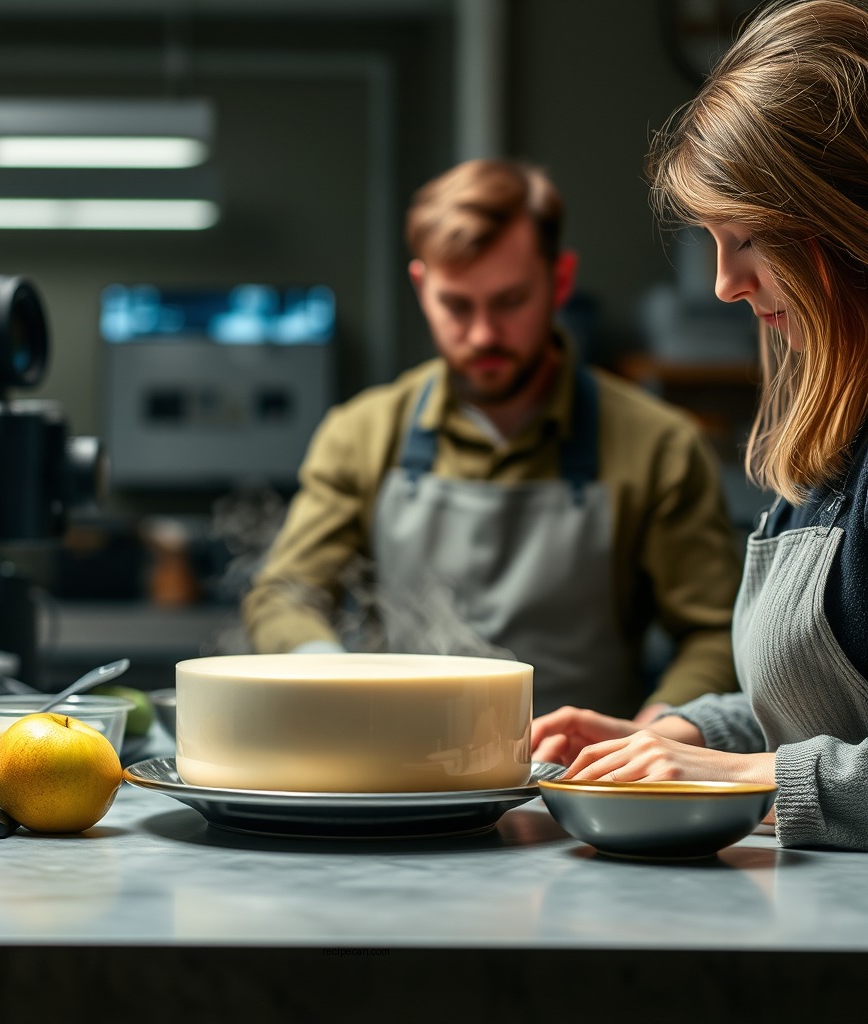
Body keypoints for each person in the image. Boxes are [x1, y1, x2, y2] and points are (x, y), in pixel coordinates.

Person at [530, 0, 868, 851]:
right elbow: (811, 714)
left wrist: (751, 779)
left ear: (842, 219)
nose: (724, 284)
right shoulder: (835, 451)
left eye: (747, 238)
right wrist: (678, 738)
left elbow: (794, 762)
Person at [241, 157, 742, 720]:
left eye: (509, 302)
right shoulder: (362, 434)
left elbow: (714, 632)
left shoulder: (659, 447)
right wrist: (328, 670)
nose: (482, 334)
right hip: (405, 776)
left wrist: (663, 726)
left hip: (580, 783)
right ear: (421, 286)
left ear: (560, 281)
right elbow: (285, 593)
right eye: (457, 305)